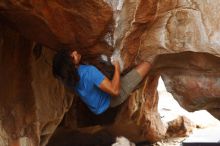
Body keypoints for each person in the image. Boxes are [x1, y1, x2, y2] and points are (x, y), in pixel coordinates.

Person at [52, 49, 152, 115]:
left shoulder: (68, 79)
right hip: (112, 99)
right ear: (72, 63)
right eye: (72, 55)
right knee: (149, 61)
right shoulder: (89, 71)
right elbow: (115, 91)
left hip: (97, 106)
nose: (74, 52)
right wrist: (117, 66)